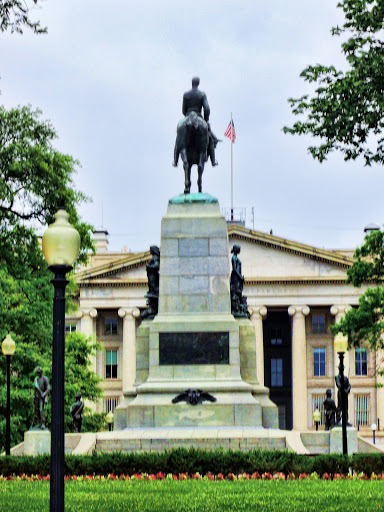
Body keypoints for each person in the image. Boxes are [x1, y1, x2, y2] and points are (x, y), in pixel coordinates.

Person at [173, 77, 219, 167]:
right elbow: (207, 108)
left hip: (187, 116)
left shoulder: (186, 95)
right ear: (198, 83)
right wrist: (206, 119)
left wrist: (187, 115)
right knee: (210, 138)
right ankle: (213, 161)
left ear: (192, 83)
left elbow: (183, 110)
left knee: (179, 139)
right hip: (199, 116)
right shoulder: (202, 94)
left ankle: (175, 160)